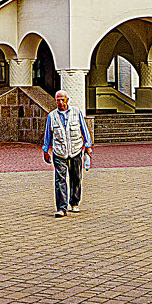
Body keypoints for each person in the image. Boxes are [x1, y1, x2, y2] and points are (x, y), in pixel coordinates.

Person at [42, 89, 93, 217]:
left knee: (76, 177)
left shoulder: (76, 113)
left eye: (62, 100)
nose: (60, 102)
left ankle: (74, 202)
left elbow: (84, 129)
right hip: (59, 152)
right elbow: (48, 135)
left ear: (67, 100)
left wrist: (88, 145)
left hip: (75, 150)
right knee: (60, 180)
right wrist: (45, 150)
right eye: (58, 100)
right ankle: (61, 207)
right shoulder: (52, 116)